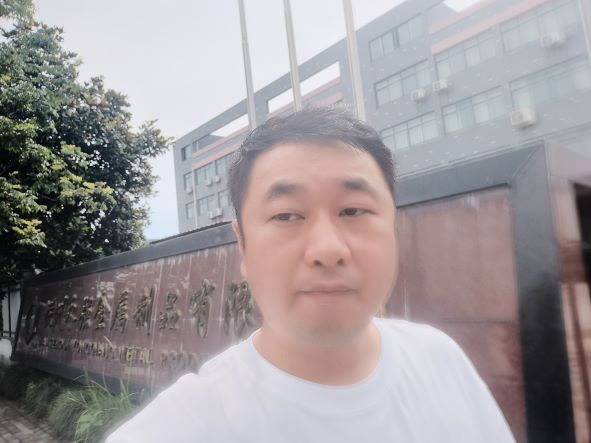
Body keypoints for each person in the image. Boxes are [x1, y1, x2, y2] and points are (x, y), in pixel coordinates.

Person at [106, 107, 515, 443]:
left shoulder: (440, 359)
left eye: (353, 210)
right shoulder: (185, 426)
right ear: (243, 245)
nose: (327, 249)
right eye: (287, 216)